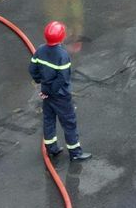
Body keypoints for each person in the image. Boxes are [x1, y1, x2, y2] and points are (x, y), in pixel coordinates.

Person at [31, 21, 91, 162]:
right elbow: (63, 77)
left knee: (48, 120)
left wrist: (42, 84)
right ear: (61, 37)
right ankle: (75, 152)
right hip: (60, 95)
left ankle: (51, 149)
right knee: (69, 123)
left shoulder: (40, 50)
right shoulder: (62, 55)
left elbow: (32, 69)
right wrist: (52, 90)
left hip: (46, 93)